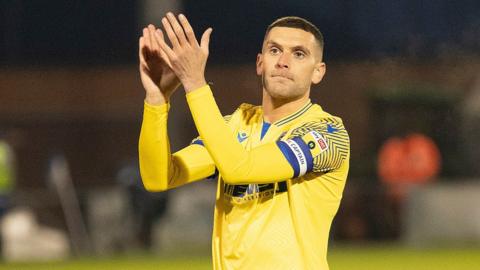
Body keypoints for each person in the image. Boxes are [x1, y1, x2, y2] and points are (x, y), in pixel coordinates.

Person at [138, 12, 350, 270]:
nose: (283, 61)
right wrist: (157, 101)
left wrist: (194, 82)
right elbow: (158, 177)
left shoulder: (328, 133)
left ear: (318, 72)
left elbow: (240, 169)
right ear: (260, 63)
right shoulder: (233, 125)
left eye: (299, 54)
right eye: (275, 50)